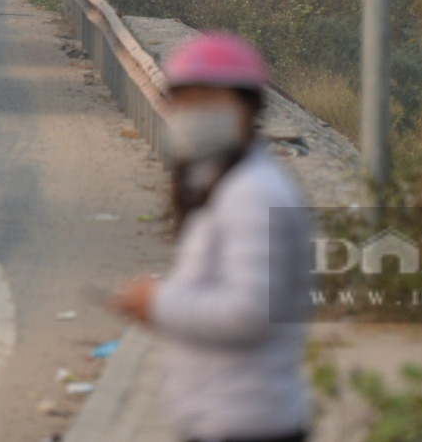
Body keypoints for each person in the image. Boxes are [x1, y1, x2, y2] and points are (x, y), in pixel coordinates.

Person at [112, 30, 314, 442]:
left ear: (247, 107)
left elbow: (249, 311)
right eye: (185, 100)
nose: (192, 113)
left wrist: (158, 301)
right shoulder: (223, 181)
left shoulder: (254, 193)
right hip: (223, 416)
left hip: (247, 420)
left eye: (208, 100)